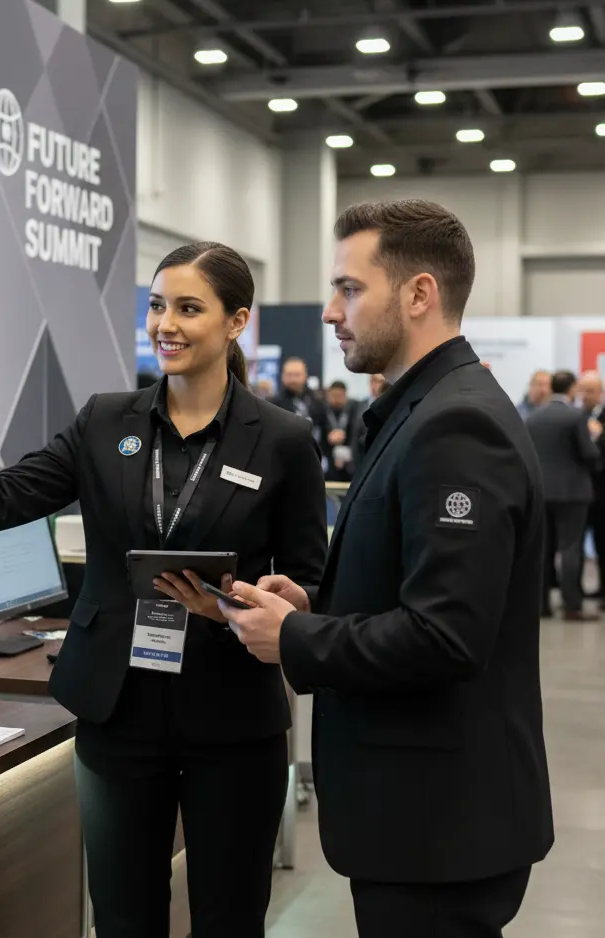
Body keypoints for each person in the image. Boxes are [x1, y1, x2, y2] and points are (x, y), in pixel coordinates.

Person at [0, 242, 328, 938]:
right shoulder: (105, 421)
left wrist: (274, 608)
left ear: (236, 321)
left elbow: (309, 583)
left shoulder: (284, 440)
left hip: (233, 716)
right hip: (118, 711)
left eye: (187, 308)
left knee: (230, 920)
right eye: (155, 306)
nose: (164, 324)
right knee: (121, 918)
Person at [216, 199, 554, 937]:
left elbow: (447, 635)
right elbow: (419, 581)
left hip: (439, 822)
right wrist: (318, 600)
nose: (333, 312)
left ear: (419, 294)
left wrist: (299, 636)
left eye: (350, 288)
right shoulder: (421, 409)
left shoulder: (455, 425)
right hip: (425, 817)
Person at [526, 371, 600, 620]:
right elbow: (589, 454)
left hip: (542, 492)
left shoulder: (534, 416)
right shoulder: (576, 416)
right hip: (573, 492)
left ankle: (541, 605)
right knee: (570, 548)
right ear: (571, 389)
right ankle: (571, 606)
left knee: (543, 549)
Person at [578, 370, 605, 596]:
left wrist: (597, 437)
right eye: (583, 390)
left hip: (601, 492)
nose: (585, 395)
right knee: (574, 544)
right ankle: (574, 590)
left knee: (602, 542)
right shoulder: (573, 416)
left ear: (601, 393)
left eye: (591, 391)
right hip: (577, 493)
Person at [320, 380, 359, 482]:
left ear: (345, 395)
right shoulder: (321, 411)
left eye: (340, 395)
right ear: (328, 395)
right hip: (327, 457)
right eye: (334, 395)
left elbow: (357, 436)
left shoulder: (354, 410)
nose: (336, 399)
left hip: (349, 458)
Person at [270, 357, 325, 425]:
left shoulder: (318, 402)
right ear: (282, 376)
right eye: (289, 375)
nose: (293, 380)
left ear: (305, 376)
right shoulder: (273, 405)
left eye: (297, 375)